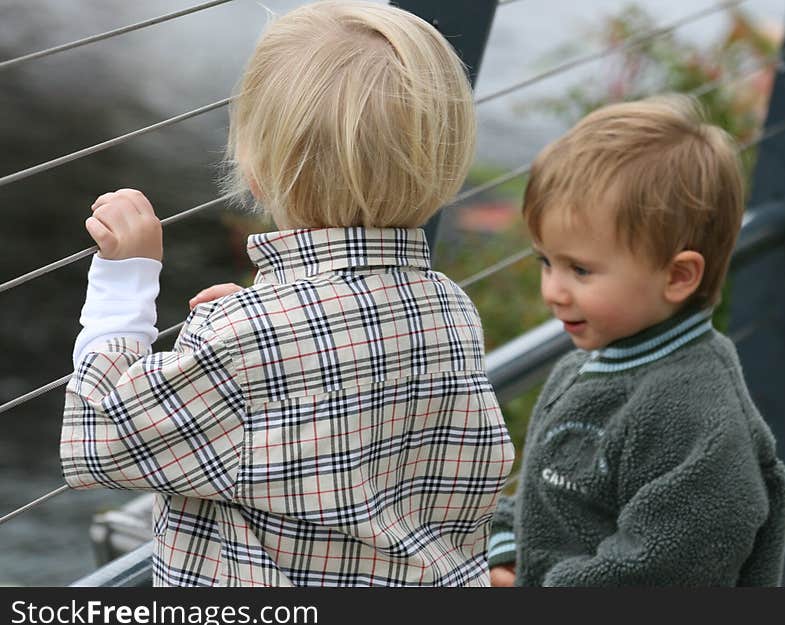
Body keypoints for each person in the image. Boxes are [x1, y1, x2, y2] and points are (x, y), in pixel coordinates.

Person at [61, 0, 514, 587]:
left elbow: (98, 437)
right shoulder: (452, 308)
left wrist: (126, 282)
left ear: (255, 167)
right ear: (446, 162)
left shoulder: (244, 338)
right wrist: (250, 317)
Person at [488, 95, 785, 587]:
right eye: (546, 261)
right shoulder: (587, 366)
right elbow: (551, 496)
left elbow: (660, 570)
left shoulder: (696, 416)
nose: (552, 291)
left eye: (580, 270)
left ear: (677, 276)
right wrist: (505, 545)